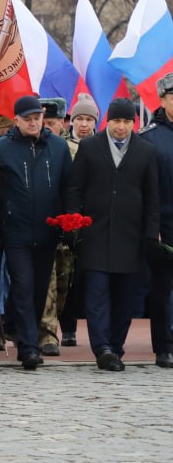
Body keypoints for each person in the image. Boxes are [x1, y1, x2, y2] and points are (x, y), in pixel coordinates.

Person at [66, 97, 160, 371]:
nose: (121, 127)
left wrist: (150, 234)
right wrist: (74, 223)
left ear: (134, 122)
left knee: (124, 297)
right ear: (108, 121)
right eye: (117, 121)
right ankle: (103, 348)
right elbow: (74, 189)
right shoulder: (90, 147)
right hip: (94, 234)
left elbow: (152, 198)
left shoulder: (146, 151)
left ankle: (116, 345)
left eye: (127, 121)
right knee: (96, 295)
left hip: (131, 237)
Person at [0, 95, 71, 370]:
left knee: (38, 290)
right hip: (16, 231)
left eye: (37, 118)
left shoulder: (58, 147)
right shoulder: (1, 148)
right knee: (23, 286)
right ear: (16, 120)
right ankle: (28, 348)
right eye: (28, 119)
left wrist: (67, 220)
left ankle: (24, 332)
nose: (34, 123)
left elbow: (67, 185)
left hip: (48, 230)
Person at [44, 92, 100, 352]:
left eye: (89, 119)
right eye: (80, 119)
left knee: (83, 278)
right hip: (66, 219)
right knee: (64, 277)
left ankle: (71, 328)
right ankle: (62, 327)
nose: (84, 124)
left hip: (93, 220)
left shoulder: (101, 146)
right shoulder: (62, 146)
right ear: (71, 121)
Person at [139, 73, 173, 368]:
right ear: (162, 100)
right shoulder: (149, 139)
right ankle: (164, 346)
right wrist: (153, 228)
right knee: (162, 289)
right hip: (163, 225)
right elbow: (144, 190)